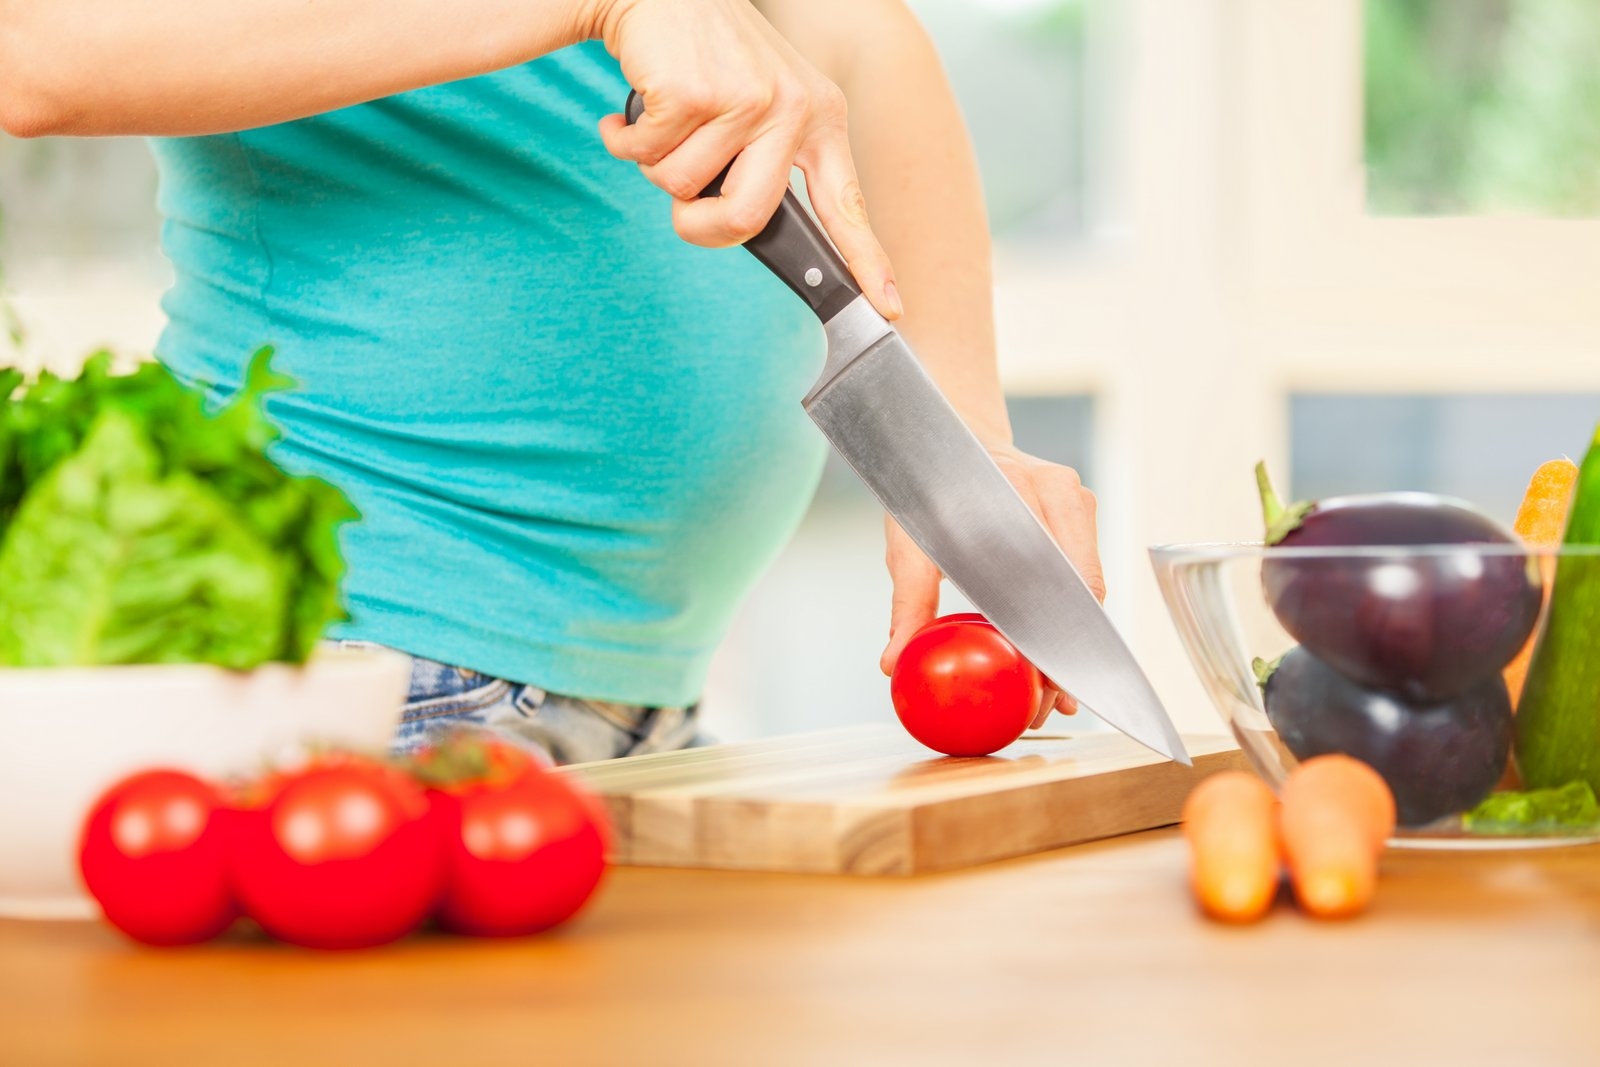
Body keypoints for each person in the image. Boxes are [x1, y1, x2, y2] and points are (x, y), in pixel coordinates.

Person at [2, 0, 1104, 763]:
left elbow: (847, 33)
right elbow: (43, 46)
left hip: (647, 691)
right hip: (359, 671)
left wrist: (963, 428)